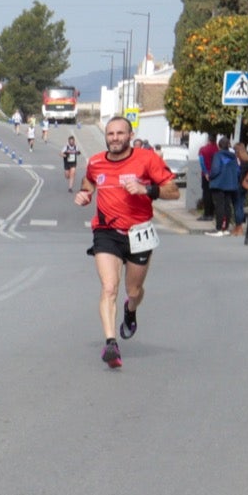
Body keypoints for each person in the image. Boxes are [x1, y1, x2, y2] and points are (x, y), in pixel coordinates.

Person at [74, 116, 180, 368]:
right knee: (109, 287)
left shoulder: (147, 159)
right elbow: (89, 181)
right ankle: (111, 343)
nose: (115, 138)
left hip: (139, 233)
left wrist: (147, 190)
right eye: (110, 134)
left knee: (133, 291)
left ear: (130, 136)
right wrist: (86, 194)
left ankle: (130, 309)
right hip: (106, 232)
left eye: (120, 133)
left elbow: (173, 190)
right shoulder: (96, 162)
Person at [203, 135, 242, 237]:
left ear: (219, 146)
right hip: (230, 184)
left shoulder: (218, 155)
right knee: (227, 206)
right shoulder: (233, 157)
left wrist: (210, 176)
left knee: (219, 206)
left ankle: (219, 228)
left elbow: (215, 169)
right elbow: (238, 171)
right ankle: (225, 228)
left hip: (219, 184)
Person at [196, 134, 219, 220]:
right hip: (215, 175)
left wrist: (206, 172)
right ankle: (212, 213)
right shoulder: (217, 149)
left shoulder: (203, 149)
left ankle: (207, 214)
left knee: (206, 194)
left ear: (208, 140)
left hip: (206, 175)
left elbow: (202, 161)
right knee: (213, 194)